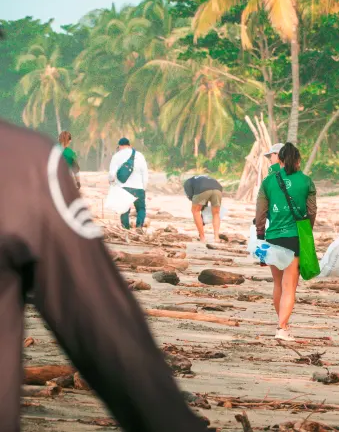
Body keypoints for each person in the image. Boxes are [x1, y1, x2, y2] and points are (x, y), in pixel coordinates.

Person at [0, 118, 209, 431]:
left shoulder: (33, 159)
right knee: (138, 211)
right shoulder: (23, 161)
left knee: (126, 212)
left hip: (107, 189)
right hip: (96, 193)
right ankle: (136, 226)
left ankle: (131, 225)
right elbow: (96, 316)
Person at [255, 143, 317, 342]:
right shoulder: (306, 181)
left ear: (280, 160)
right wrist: (307, 230)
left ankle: (283, 324)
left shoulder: (268, 181)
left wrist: (260, 235)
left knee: (278, 285)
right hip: (294, 237)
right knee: (289, 286)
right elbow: (312, 211)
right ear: (298, 160)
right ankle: (282, 328)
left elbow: (260, 213)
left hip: (273, 236)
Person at [108, 137, 148, 230]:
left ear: (119, 146)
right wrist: (143, 188)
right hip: (138, 187)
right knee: (141, 209)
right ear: (130, 145)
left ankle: (126, 230)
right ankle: (139, 227)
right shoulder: (139, 155)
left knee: (124, 210)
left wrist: (112, 182)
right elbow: (145, 174)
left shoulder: (116, 156)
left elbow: (112, 174)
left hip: (123, 188)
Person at [184, 174, 223, 243]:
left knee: (195, 211)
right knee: (216, 213)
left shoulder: (187, 183)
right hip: (217, 188)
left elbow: (192, 197)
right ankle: (216, 238)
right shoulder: (205, 178)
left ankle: (202, 238)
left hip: (202, 189)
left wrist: (201, 209)